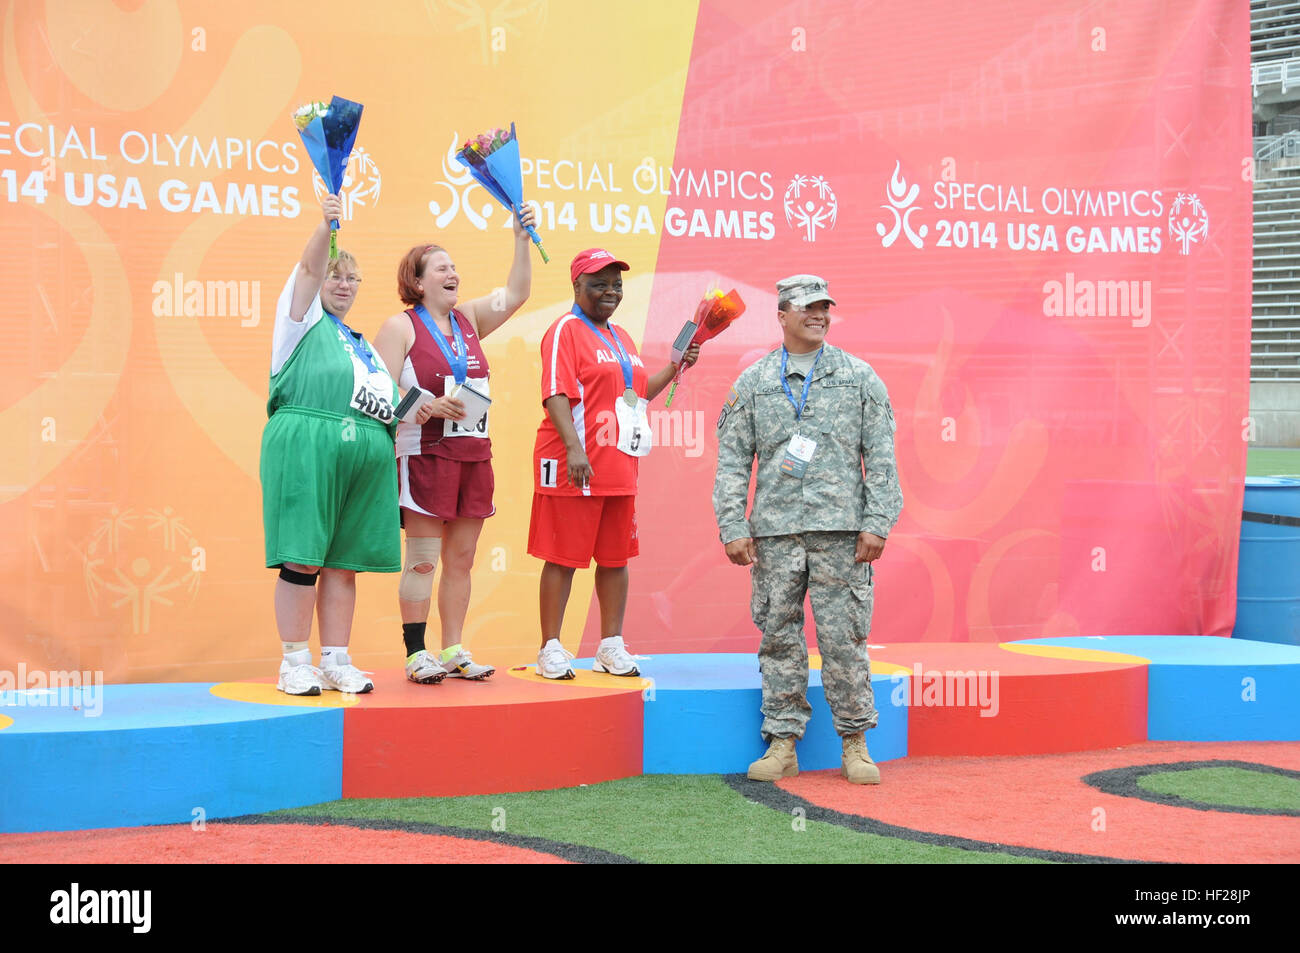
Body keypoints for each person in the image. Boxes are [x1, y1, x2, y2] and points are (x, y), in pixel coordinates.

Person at [712, 274, 902, 784]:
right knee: (778, 637)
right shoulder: (753, 383)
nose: (819, 315)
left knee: (844, 638)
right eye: (808, 307)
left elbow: (882, 459)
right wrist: (732, 524)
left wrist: (878, 521)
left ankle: (856, 743)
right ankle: (782, 742)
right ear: (782, 314)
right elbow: (732, 462)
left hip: (842, 534)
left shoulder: (860, 378)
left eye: (825, 307)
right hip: (774, 535)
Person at [372, 207, 537, 684]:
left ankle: (454, 649)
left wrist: (521, 239)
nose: (453, 274)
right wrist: (417, 406)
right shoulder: (400, 327)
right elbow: (374, 393)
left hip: (472, 455)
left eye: (454, 267)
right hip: (424, 454)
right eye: (441, 268)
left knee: (461, 559)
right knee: (423, 557)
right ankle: (415, 652)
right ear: (418, 282)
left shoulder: (468, 320)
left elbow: (518, 294)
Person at [530, 249, 699, 679]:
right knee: (563, 557)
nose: (610, 291)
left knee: (615, 559)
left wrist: (676, 366)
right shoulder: (564, 331)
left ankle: (610, 645)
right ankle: (550, 647)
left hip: (618, 462)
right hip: (576, 462)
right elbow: (554, 393)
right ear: (577, 286)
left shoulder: (622, 338)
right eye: (599, 283)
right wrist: (573, 448)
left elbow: (637, 396)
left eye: (616, 284)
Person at [261, 193, 400, 696]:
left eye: (352, 278)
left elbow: (386, 406)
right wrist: (326, 226)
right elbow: (305, 268)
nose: (343, 284)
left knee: (344, 562)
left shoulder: (362, 344)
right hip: (308, 445)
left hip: (361, 458)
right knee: (303, 557)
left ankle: (336, 658)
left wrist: (420, 409)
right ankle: (294, 660)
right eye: (335, 276)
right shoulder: (299, 322)